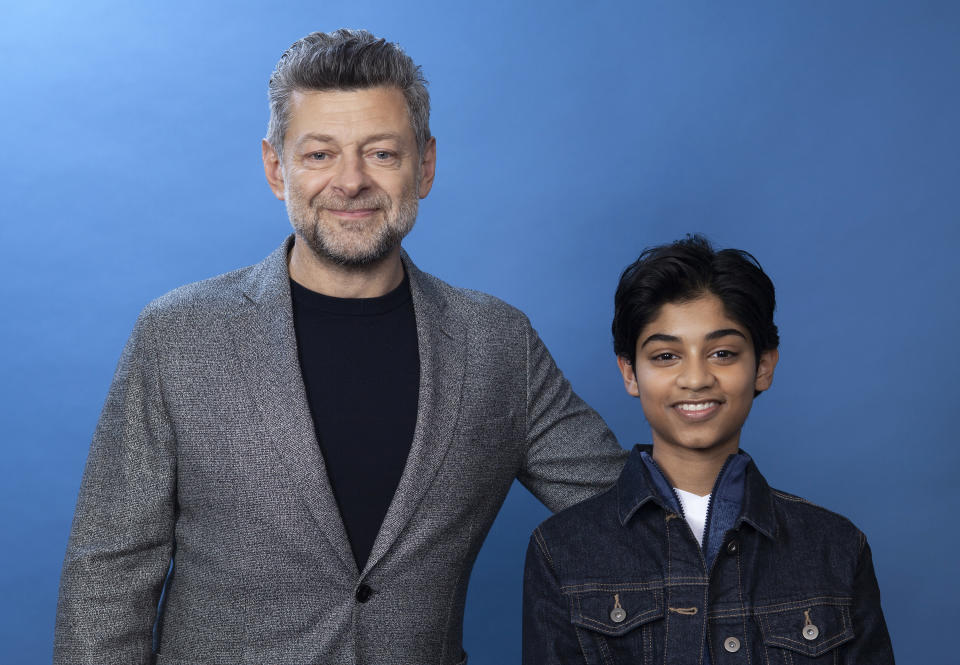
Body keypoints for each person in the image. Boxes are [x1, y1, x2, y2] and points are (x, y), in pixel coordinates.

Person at [53, 29, 626, 665]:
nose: (350, 182)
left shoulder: (497, 343)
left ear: (426, 166)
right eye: (320, 154)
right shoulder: (177, 336)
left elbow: (633, 516)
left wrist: (700, 395)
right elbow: (106, 583)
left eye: (381, 153)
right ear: (277, 168)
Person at [522, 235, 895, 664]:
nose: (696, 378)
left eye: (722, 353)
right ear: (629, 373)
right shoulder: (562, 550)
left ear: (763, 366)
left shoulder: (836, 547)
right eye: (666, 356)